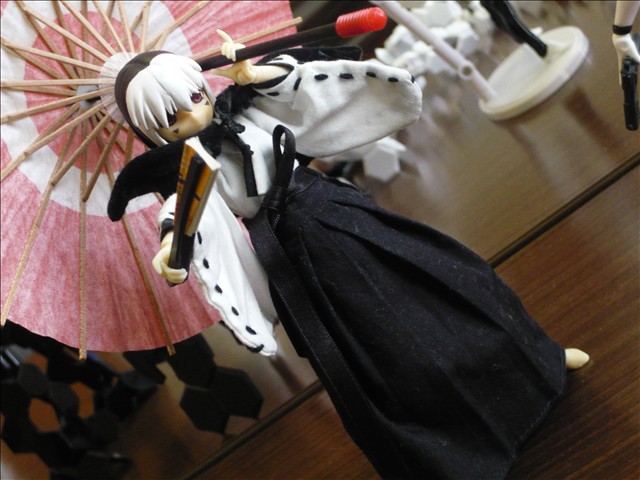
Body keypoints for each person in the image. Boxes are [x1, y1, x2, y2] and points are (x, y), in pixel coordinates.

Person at [109, 32, 588, 479]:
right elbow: (186, 215)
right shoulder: (192, 170)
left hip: (338, 211)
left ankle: (537, 364)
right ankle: (454, 453)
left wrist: (257, 74)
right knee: (386, 347)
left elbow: (298, 91)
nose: (192, 115)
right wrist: (173, 247)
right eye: (171, 119)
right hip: (298, 257)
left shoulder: (248, 108)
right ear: (153, 133)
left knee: (451, 278)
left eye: (194, 97)